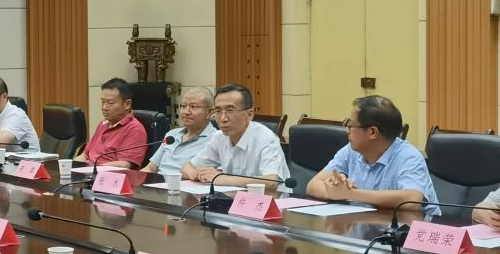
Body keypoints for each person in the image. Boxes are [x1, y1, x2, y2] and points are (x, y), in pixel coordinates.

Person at [307, 95, 438, 217]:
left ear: (372, 132)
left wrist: (351, 194)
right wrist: (337, 191)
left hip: (409, 230)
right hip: (367, 223)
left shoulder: (409, 157)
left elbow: (412, 200)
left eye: (351, 125)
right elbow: (313, 185)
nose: (347, 130)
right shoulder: (351, 151)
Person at [182, 83, 289, 192]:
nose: (223, 119)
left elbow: (272, 182)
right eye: (218, 111)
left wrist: (222, 178)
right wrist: (195, 174)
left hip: (272, 200)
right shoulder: (219, 137)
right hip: (234, 198)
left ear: (249, 114)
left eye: (230, 110)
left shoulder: (266, 138)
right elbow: (187, 167)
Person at [142, 86, 216, 177]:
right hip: (158, 184)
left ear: (210, 112)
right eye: (183, 106)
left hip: (184, 184)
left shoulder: (215, 140)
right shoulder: (172, 134)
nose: (186, 112)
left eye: (193, 106)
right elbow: (151, 168)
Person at [75, 77, 147, 168]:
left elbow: (124, 165)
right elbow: (84, 155)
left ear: (127, 104)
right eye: (102, 102)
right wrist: (71, 167)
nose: (104, 107)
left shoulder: (134, 129)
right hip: (89, 172)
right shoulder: (103, 124)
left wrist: (93, 168)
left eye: (110, 103)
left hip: (110, 175)